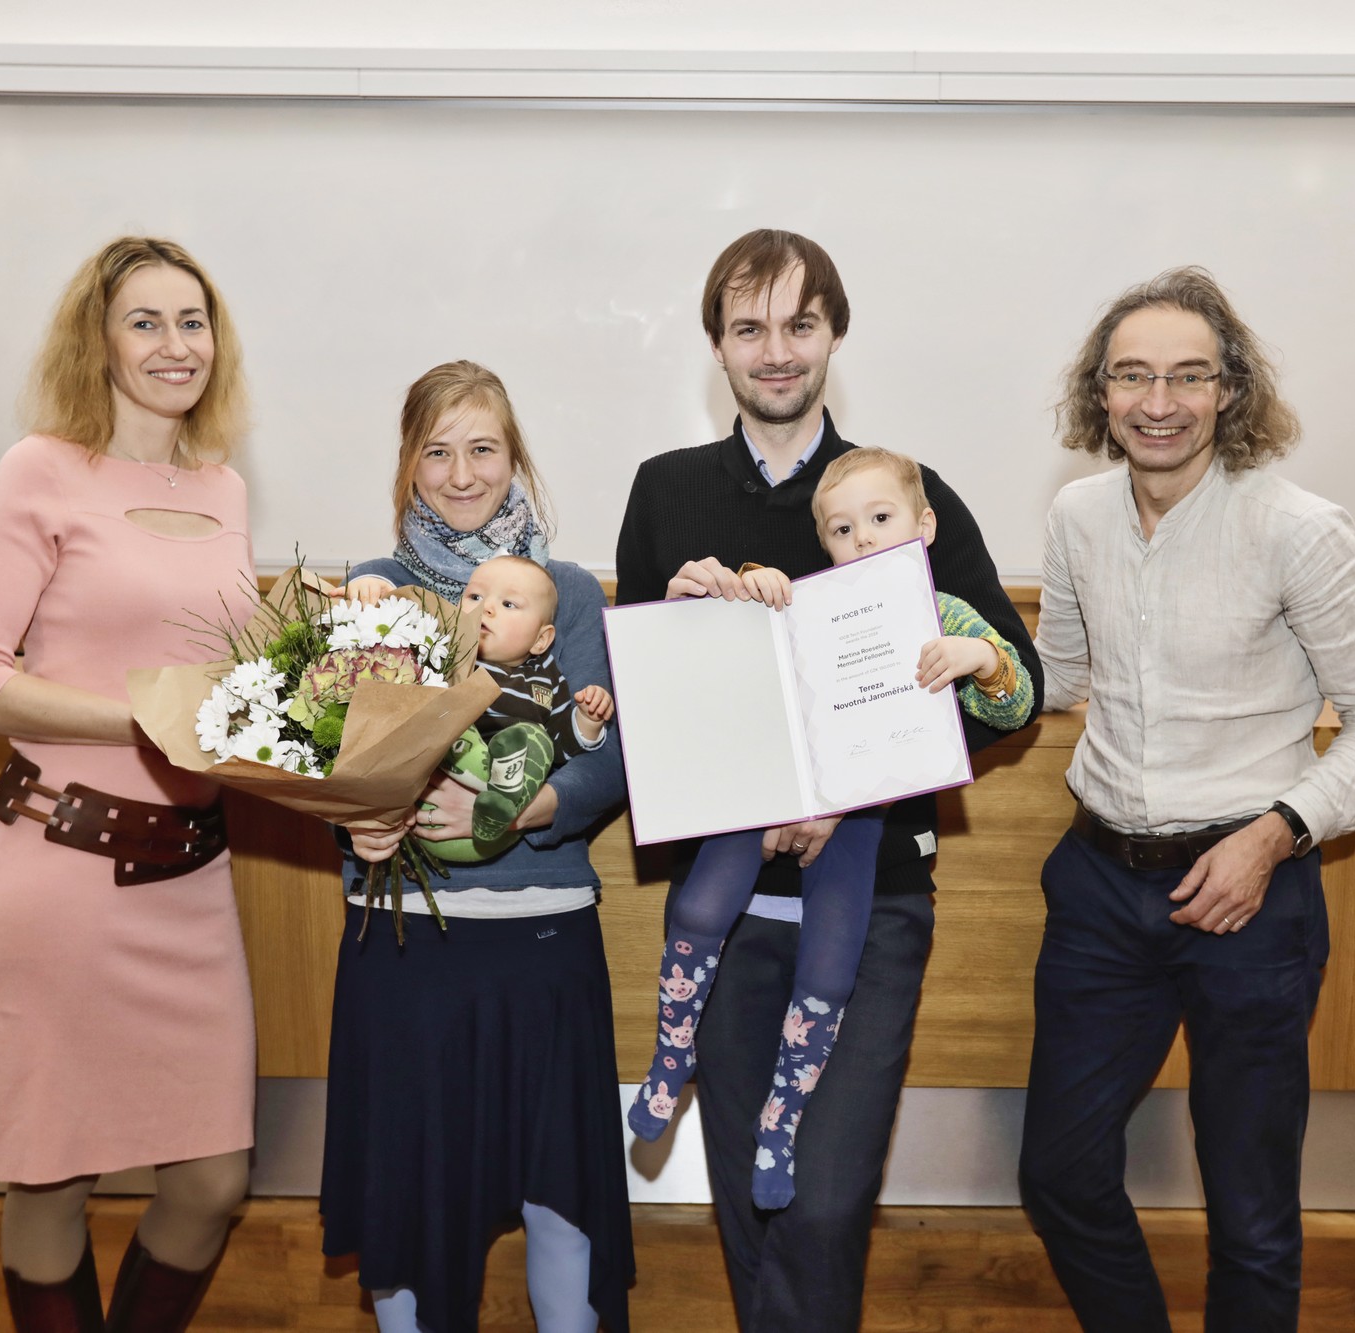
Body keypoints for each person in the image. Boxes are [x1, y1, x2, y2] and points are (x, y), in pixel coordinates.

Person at [613, 228, 1042, 1330]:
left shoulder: (905, 493)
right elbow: (648, 716)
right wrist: (675, 624)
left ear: (832, 335)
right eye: (748, 326)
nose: (775, 349)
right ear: (716, 344)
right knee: (754, 1206)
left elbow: (1009, 684)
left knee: (823, 1198)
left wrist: (855, 782)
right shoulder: (664, 493)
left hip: (873, 900)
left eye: (798, 324)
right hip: (724, 911)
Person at [1021, 266, 1355, 1331]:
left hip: (1251, 896)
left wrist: (1273, 836)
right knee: (1057, 1175)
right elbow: (1053, 676)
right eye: (1132, 376)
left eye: (1187, 377)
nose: (1158, 402)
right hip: (1101, 889)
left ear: (1228, 391)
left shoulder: (1296, 528)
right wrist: (931, 650)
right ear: (1097, 394)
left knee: (1249, 1215)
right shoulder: (1076, 514)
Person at [0, 236, 257, 1330]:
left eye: (193, 320)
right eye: (146, 322)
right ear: (99, 341)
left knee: (211, 1181)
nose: (176, 345)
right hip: (60, 869)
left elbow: (230, 681)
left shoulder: (223, 487)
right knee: (49, 1177)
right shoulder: (40, 469)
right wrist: (143, 716)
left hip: (191, 885)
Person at [626, 446, 1033, 1212]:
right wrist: (751, 594)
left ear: (925, 522)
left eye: (881, 520)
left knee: (830, 966)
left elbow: (1012, 704)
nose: (865, 539)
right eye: (844, 529)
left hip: (859, 820)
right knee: (699, 907)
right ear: (824, 542)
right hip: (764, 799)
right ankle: (670, 1058)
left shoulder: (946, 612)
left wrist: (980, 658)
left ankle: (780, 1125)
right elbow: (740, 674)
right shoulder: (807, 598)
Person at [322, 361, 633, 1333]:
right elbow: (319, 756)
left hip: (541, 947)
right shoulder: (370, 593)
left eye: (483, 449)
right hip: (403, 946)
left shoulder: (568, 592)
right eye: (437, 451)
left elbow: (614, 757)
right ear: (409, 466)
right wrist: (354, 814)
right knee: (406, 1203)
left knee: (560, 1197)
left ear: (515, 459)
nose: (462, 473)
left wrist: (521, 809)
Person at [450, 554, 613, 852]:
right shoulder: (446, 659)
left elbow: (561, 746)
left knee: (536, 741)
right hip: (450, 781)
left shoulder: (545, 679)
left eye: (508, 604)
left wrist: (588, 720)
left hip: (511, 805)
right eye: (474, 596)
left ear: (540, 641)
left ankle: (501, 800)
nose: (485, 607)